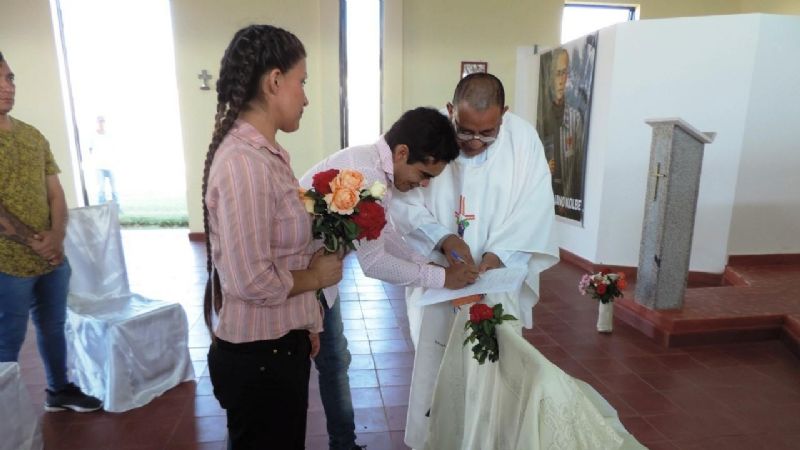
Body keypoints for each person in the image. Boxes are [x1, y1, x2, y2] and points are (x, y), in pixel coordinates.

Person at [390, 73, 560, 449]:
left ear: (504, 115)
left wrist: (496, 257)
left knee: (494, 368)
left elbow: (533, 208)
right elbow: (403, 198)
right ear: (451, 111)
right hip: (441, 274)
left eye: (487, 133)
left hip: (497, 275)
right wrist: (445, 239)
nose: (475, 142)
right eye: (465, 131)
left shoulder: (523, 141)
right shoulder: (431, 133)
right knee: (438, 362)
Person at [298, 107, 479, 450]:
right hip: (299, 282)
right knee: (303, 372)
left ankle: (343, 443)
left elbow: (384, 233)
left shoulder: (374, 166)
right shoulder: (365, 173)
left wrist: (427, 263)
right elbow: (375, 262)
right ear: (401, 152)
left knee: (334, 361)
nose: (423, 184)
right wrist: (441, 277)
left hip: (319, 278)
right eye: (424, 174)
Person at [201, 26, 344, 449]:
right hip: (260, 357)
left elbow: (284, 251)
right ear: (275, 81)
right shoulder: (245, 164)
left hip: (279, 345)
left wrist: (305, 321)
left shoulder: (269, 155)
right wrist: (316, 279)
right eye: (302, 82)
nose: (306, 97)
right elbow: (252, 280)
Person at [0, 51, 103, 413]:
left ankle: (59, 390)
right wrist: (36, 242)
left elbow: (55, 192)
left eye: (10, 78)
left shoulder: (32, 136)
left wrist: (56, 236)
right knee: (7, 341)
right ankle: (7, 416)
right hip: (7, 265)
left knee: (53, 327)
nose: (7, 87)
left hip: (51, 258)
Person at [536, 48, 585, 221]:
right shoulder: (541, 118)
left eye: (564, 73)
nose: (561, 80)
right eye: (558, 74)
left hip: (567, 206)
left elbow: (578, 167)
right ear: (550, 77)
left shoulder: (574, 118)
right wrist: (544, 167)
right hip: (542, 201)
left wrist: (567, 198)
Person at [88, 115, 119, 205]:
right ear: (97, 123)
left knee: (114, 188)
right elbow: (90, 150)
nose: (101, 123)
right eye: (99, 121)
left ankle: (117, 206)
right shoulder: (93, 136)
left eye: (103, 121)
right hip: (99, 166)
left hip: (110, 164)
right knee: (101, 188)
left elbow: (114, 148)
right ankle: (101, 207)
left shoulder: (110, 135)